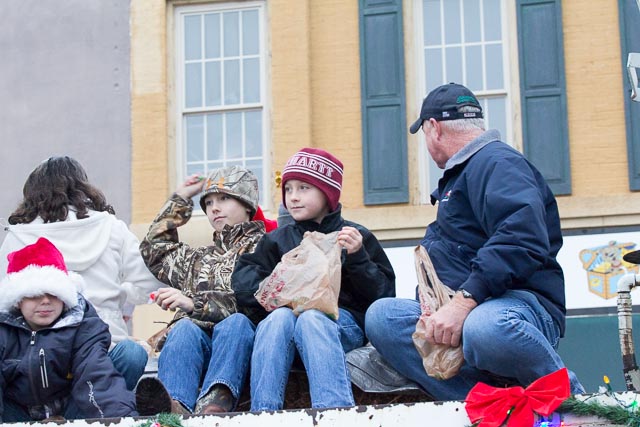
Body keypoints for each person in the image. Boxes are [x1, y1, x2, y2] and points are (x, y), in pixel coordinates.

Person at [365, 82, 585, 401]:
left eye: (424, 135)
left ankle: (571, 403)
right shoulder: (461, 177)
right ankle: (485, 406)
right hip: (467, 306)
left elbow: (522, 238)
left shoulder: (497, 162)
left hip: (518, 305)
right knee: (383, 317)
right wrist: (433, 309)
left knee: (484, 328)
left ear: (433, 128)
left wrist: (463, 302)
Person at [232, 147, 396, 411]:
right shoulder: (278, 240)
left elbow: (383, 295)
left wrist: (358, 257)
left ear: (328, 194)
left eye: (304, 188)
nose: (293, 197)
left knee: (312, 318)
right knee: (278, 318)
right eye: (289, 189)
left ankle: (334, 412)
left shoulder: (356, 236)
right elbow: (243, 282)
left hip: (339, 326)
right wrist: (281, 291)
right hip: (284, 332)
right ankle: (264, 413)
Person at [0, 156, 163, 390]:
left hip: (43, 361)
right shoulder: (111, 227)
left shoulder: (18, 236)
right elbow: (149, 282)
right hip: (106, 347)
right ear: (82, 187)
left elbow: (8, 301)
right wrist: (121, 296)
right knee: (131, 354)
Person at [136, 165, 269, 415]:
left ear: (247, 205)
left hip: (241, 350)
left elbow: (256, 303)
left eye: (224, 198)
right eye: (208, 203)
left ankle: (215, 403)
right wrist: (181, 198)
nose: (214, 208)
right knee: (184, 329)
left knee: (236, 323)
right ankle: (174, 410)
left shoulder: (266, 249)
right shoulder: (197, 259)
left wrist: (193, 304)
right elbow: (155, 249)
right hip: (195, 353)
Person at [0, 238, 137, 422]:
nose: (46, 301)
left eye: (54, 293)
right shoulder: (4, 328)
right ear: (18, 300)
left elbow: (95, 373)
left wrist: (120, 421)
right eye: (35, 295)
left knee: (131, 353)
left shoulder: (81, 321)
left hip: (70, 409)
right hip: (18, 411)